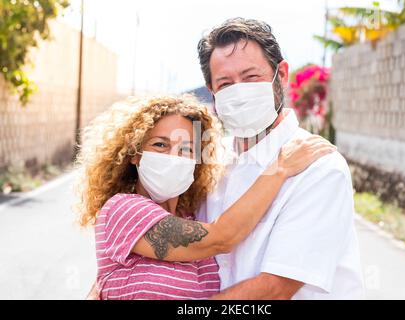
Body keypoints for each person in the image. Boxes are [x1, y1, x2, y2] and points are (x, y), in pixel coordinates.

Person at [77, 95, 335, 300]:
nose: (174, 156)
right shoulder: (123, 209)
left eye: (187, 148)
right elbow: (222, 237)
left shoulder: (195, 216)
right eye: (160, 145)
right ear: (134, 154)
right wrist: (279, 169)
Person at [195, 18, 365, 299]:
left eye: (251, 77)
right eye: (225, 83)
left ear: (281, 75)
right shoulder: (211, 161)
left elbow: (274, 289)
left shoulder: (319, 167)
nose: (239, 91)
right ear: (212, 91)